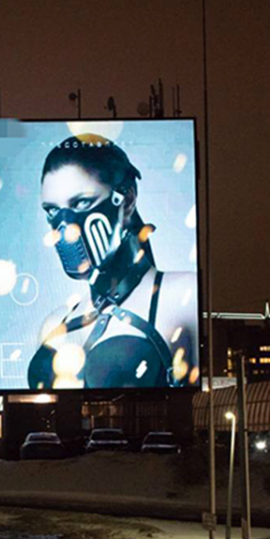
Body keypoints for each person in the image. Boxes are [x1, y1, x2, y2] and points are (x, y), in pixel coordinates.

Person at [29, 134, 199, 389]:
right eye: (52, 210)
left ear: (127, 199)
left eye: (82, 202)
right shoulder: (54, 324)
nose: (65, 225)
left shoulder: (184, 295)